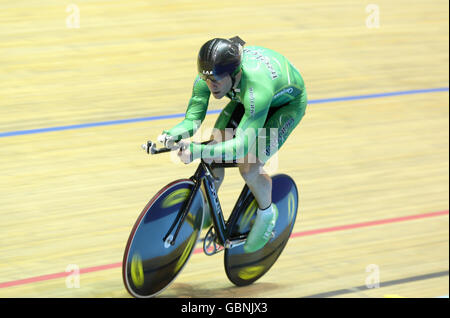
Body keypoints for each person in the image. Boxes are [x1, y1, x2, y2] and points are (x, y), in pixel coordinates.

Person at [157, 36, 307, 253]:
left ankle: (267, 214)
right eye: (206, 78)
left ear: (234, 74)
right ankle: (208, 212)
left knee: (248, 167)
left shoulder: (257, 87)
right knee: (212, 155)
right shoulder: (208, 76)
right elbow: (193, 120)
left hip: (284, 106)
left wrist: (198, 150)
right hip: (245, 99)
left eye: (217, 79)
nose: (211, 85)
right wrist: (171, 134)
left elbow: (241, 147)